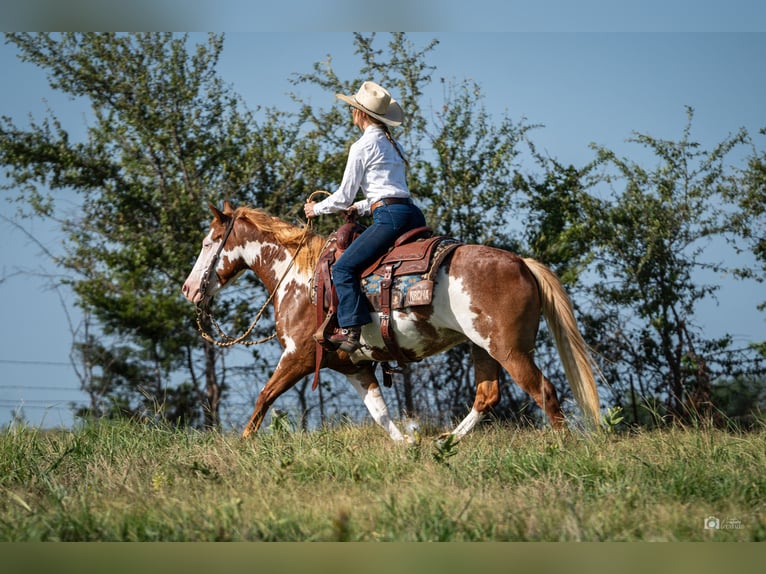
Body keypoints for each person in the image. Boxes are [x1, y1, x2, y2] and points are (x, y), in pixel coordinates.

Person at [304, 81, 426, 353]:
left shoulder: (361, 146)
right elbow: (388, 190)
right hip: (412, 213)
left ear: (359, 114)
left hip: (389, 216)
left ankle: (351, 328)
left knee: (343, 268)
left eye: (352, 109)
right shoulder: (395, 145)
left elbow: (343, 196)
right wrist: (360, 209)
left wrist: (316, 209)